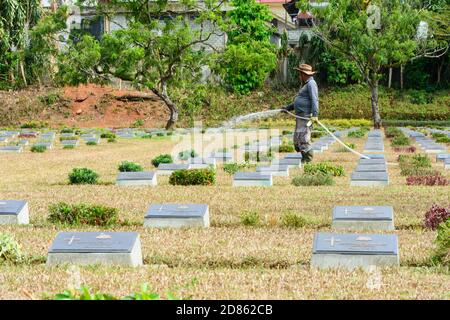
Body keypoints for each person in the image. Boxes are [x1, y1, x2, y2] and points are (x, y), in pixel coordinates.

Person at [282, 63, 319, 163]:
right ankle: (304, 158)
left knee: (304, 139)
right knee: (297, 140)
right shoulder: (306, 84)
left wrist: (315, 115)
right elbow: (299, 101)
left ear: (304, 74)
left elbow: (314, 100)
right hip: (300, 117)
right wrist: (287, 108)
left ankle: (308, 159)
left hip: (306, 117)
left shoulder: (311, 84)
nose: (299, 76)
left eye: (300, 74)